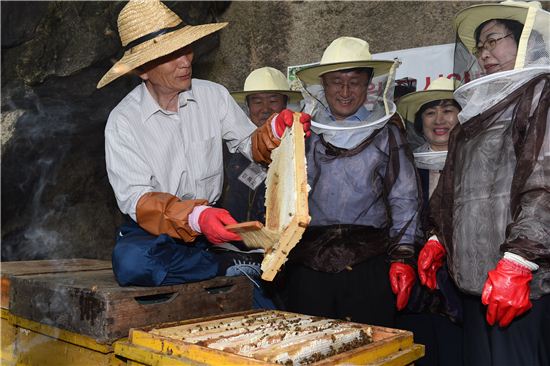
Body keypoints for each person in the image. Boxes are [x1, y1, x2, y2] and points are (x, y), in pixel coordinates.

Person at [96, 0, 310, 301]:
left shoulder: (214, 96)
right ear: (143, 69)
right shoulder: (123, 121)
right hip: (154, 232)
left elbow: (249, 144)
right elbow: (138, 199)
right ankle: (226, 263)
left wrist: (274, 133)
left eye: (187, 49)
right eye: (171, 55)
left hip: (208, 230)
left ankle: (229, 263)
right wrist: (196, 217)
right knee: (132, 263)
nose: (185, 61)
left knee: (267, 291)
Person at [419, 1, 550, 365]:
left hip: (524, 285)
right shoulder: (476, 108)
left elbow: (544, 186)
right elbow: (453, 188)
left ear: (527, 40)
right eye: (480, 46)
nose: (484, 53)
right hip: (476, 282)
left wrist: (520, 261)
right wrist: (437, 236)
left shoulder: (542, 94)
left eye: (493, 40)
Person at [284, 36, 423, 328]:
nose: (345, 91)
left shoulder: (388, 133)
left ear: (368, 85)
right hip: (309, 262)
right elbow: (283, 197)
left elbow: (404, 199)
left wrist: (404, 256)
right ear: (323, 84)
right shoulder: (302, 134)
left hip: (369, 262)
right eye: (336, 81)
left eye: (354, 81)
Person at [396, 77, 463, 366]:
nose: (440, 120)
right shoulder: (406, 165)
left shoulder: (477, 161)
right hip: (415, 290)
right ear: (420, 121)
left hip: (460, 288)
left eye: (448, 110)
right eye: (430, 112)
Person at [222, 67, 303, 223]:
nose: (265, 109)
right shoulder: (229, 147)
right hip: (232, 239)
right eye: (257, 101)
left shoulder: (300, 146)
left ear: (285, 103)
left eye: (273, 101)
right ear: (247, 105)